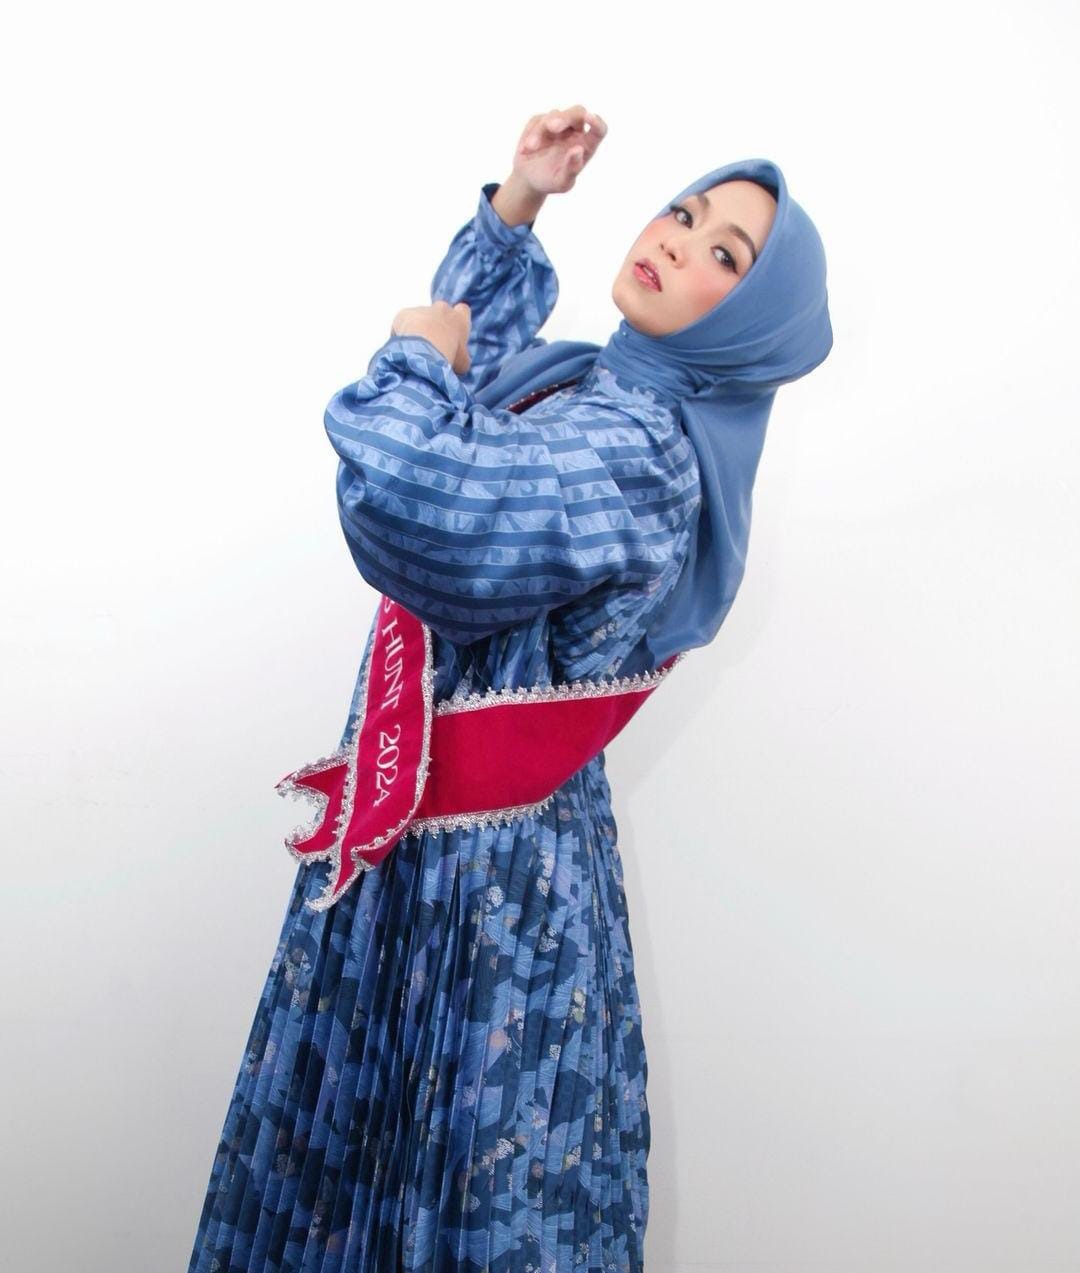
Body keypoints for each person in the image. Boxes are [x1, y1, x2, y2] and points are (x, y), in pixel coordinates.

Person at [187, 105, 833, 1273]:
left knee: (459, 1178)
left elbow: (423, 494)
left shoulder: (640, 453)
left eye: (725, 254)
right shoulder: (591, 389)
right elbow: (475, 370)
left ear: (748, 326)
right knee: (379, 1168)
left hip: (489, 900)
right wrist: (521, 201)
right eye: (684, 212)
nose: (679, 239)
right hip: (432, 853)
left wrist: (409, 357)